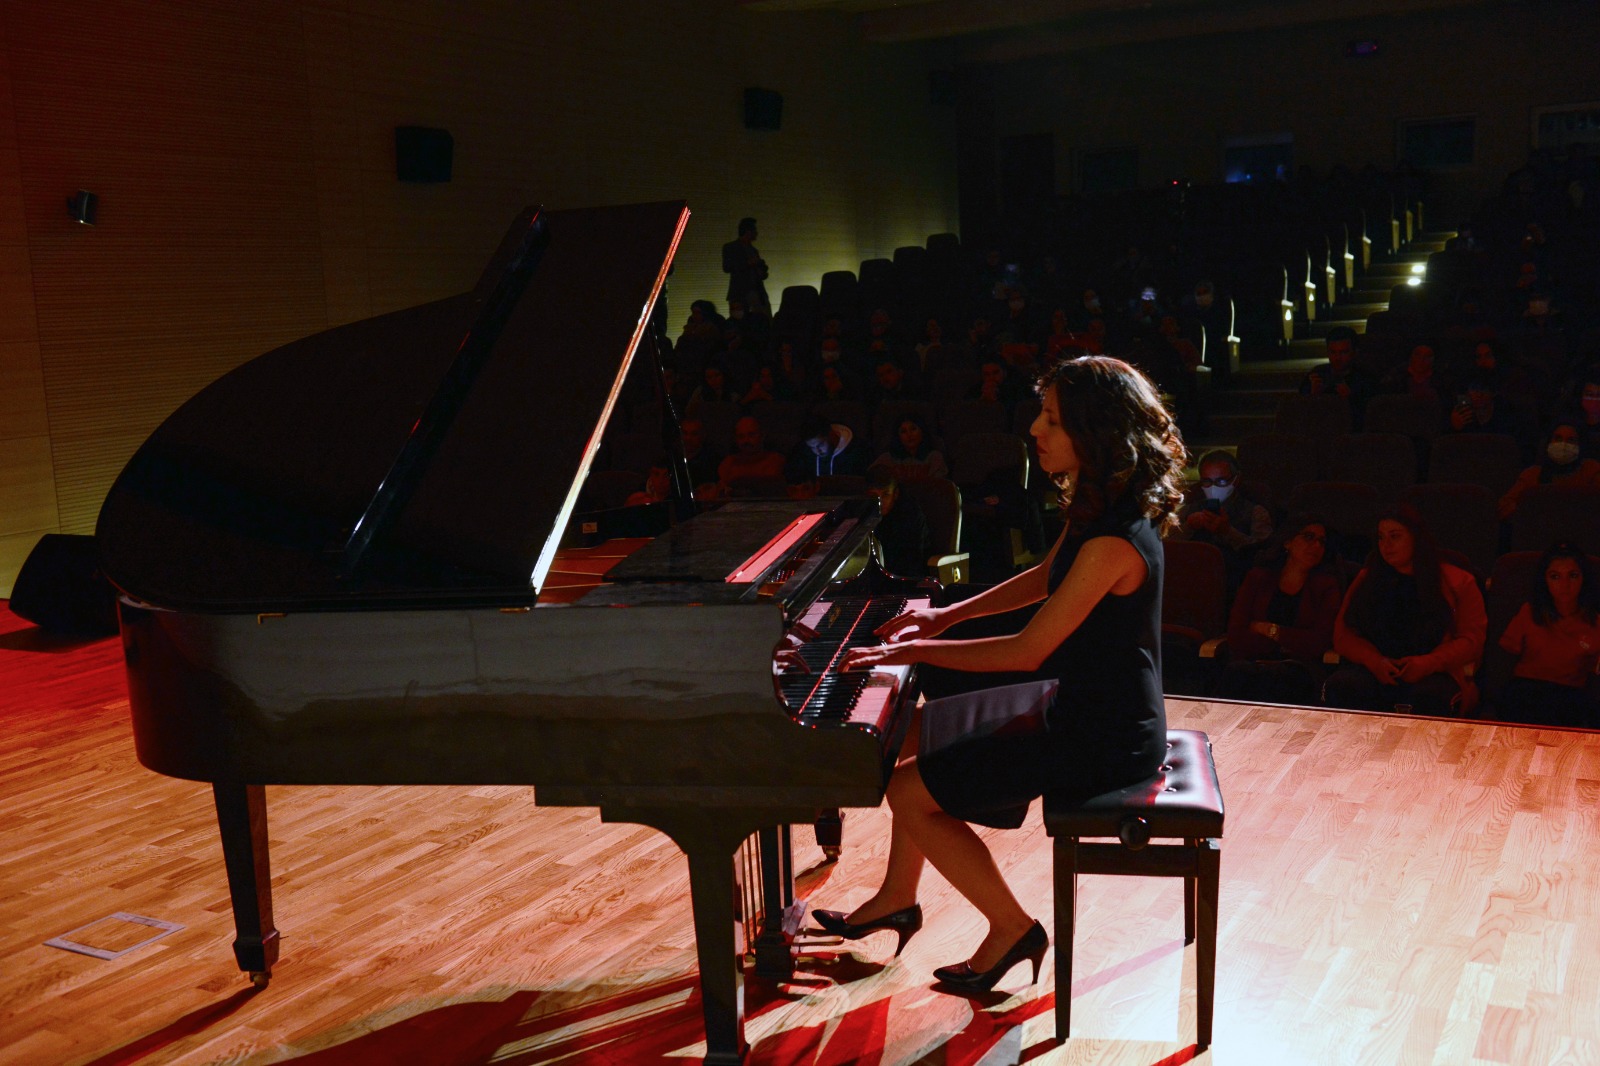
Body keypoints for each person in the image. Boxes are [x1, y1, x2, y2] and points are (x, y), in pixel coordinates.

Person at [811, 354, 1186, 994]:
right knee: (908, 731)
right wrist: (942, 618)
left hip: (1104, 734)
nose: (1035, 430)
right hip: (1079, 703)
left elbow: (1027, 650)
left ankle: (1012, 929)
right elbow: (1042, 578)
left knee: (908, 791)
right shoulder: (1099, 505)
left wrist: (918, 651)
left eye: (1052, 419)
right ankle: (897, 897)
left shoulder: (1113, 538)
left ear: (1095, 431)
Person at [1324, 506, 1486, 716]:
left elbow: (1472, 640)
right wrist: (1374, 661)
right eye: (1381, 538)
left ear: (1416, 538)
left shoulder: (1458, 581)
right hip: (1374, 667)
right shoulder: (1367, 578)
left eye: (1395, 536)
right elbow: (1343, 634)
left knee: (1429, 699)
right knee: (1344, 688)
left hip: (1434, 669)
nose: (1386, 545)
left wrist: (1428, 663)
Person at [1215, 516, 1343, 705]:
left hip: (1300, 669)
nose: (1317, 546)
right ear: (1288, 542)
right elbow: (1236, 634)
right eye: (1309, 537)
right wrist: (1286, 643)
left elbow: (1318, 642)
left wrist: (1270, 631)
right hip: (1253, 662)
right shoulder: (1257, 578)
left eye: (1321, 541)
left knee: (1279, 678)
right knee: (1238, 672)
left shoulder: (1326, 586)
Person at [1488, 541, 1600, 728]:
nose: (1565, 585)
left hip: (1569, 696)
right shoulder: (1529, 613)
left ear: (1583, 579)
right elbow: (1503, 660)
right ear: (1545, 580)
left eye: (1573, 575)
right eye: (1555, 576)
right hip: (1526, 691)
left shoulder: (1595, 623)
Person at [1175, 450, 1273, 590]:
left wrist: (1227, 532)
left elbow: (1264, 556)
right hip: (1191, 580)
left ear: (1236, 479)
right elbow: (1166, 546)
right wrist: (1188, 527)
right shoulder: (1189, 510)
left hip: (1235, 583)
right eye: (1207, 481)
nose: (1213, 487)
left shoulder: (1255, 512)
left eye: (1221, 481)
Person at [1496, 422, 1600, 521]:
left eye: (1571, 440)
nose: (1563, 445)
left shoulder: (1591, 470)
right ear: (1549, 443)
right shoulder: (1532, 474)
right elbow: (1503, 508)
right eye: (1558, 439)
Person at [870, 416, 948, 483]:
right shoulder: (888, 458)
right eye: (903, 431)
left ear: (922, 431)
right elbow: (871, 477)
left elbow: (939, 486)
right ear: (898, 436)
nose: (909, 435)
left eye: (913, 429)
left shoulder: (935, 457)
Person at [721, 217, 769, 317]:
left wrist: (761, 271)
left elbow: (761, 273)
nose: (757, 233)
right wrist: (748, 263)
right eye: (755, 230)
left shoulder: (754, 250)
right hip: (740, 292)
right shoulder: (731, 247)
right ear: (748, 232)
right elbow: (727, 267)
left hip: (757, 292)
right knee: (741, 320)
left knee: (760, 319)